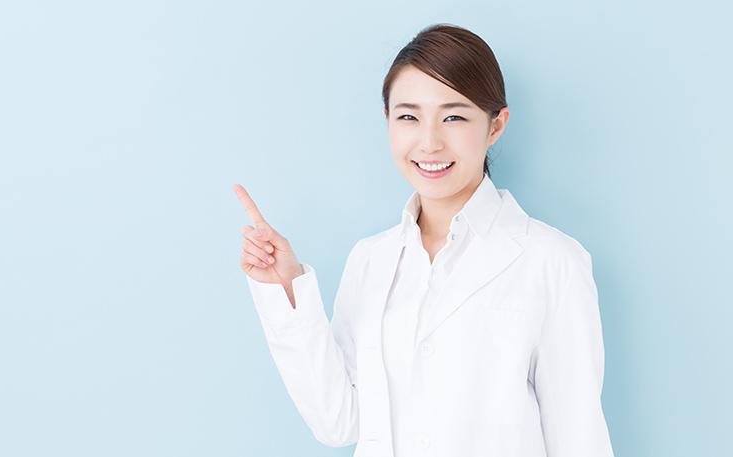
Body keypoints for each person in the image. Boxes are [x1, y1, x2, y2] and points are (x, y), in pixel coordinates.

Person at [233, 23, 615, 457]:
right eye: (409, 117)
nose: (429, 142)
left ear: (495, 125)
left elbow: (578, 437)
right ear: (388, 122)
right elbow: (339, 421)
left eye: (453, 116)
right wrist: (285, 287)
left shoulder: (552, 261)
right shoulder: (370, 259)